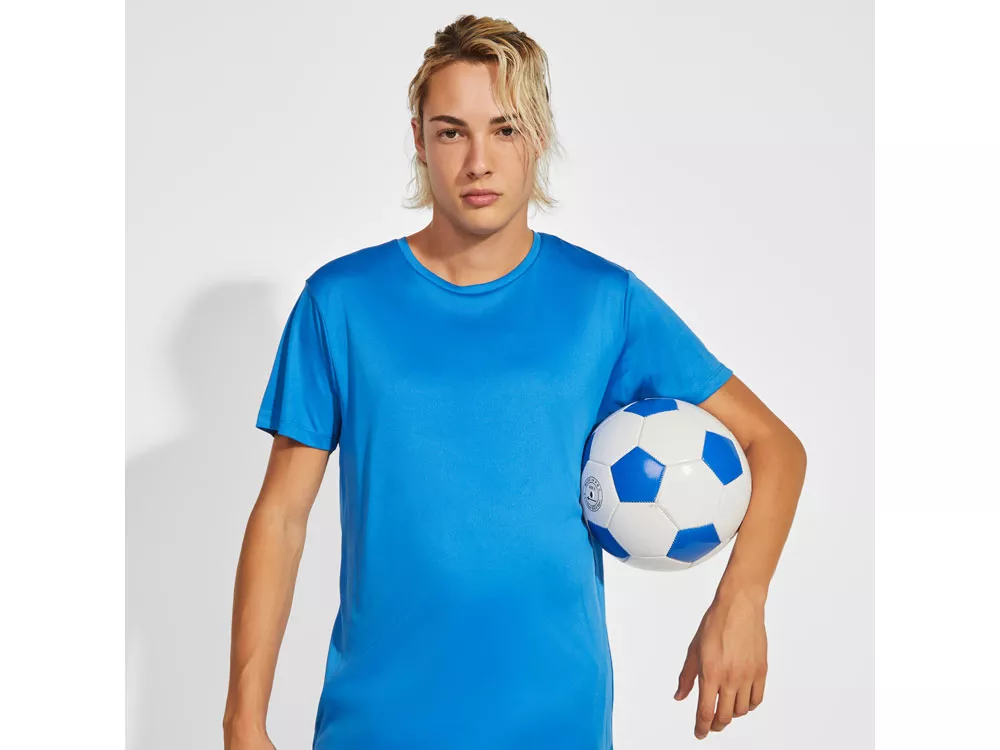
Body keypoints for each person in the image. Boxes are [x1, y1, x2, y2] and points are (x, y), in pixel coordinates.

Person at [223, 14, 807, 750]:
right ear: (419, 140)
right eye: (452, 132)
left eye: (504, 129)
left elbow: (774, 446)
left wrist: (741, 601)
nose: (479, 161)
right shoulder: (340, 303)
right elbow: (282, 515)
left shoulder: (603, 302)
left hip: (554, 721)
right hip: (378, 723)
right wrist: (243, 720)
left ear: (538, 136)